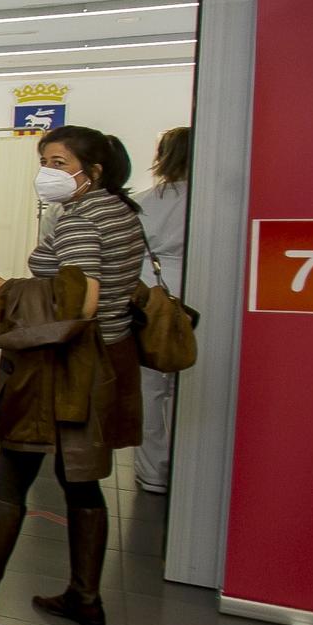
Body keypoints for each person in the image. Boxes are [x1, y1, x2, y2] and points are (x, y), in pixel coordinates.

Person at [0, 126, 145, 625]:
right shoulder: (120, 213)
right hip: (104, 360)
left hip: (61, 365)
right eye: (45, 161)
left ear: (92, 171)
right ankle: (85, 596)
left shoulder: (79, 220)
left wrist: (4, 286)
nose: (46, 173)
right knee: (81, 480)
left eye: (58, 163)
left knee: (12, 475)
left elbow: (79, 304)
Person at [134, 127, 189, 496]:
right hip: (203, 298)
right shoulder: (218, 201)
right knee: (194, 388)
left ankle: (154, 470)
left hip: (154, 299)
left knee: (151, 388)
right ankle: (194, 467)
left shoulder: (145, 203)